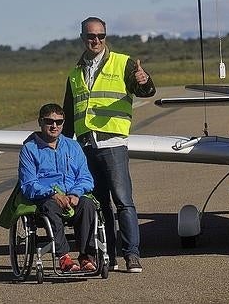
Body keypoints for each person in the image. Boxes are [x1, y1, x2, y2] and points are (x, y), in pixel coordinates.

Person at [62, 16, 156, 273]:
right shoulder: (74, 73)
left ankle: (132, 255)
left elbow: (146, 91)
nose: (96, 40)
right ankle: (109, 255)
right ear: (83, 38)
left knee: (123, 200)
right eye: (91, 36)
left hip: (112, 143)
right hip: (85, 146)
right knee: (100, 203)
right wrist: (63, 147)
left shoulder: (123, 63)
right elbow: (69, 116)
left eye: (101, 36)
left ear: (106, 37)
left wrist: (144, 79)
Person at [18, 103, 97, 273]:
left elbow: (85, 176)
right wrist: (53, 193)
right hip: (47, 198)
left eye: (59, 122)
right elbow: (28, 184)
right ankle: (64, 257)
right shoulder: (29, 149)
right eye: (49, 121)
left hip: (72, 194)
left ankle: (86, 256)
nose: (54, 126)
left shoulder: (73, 146)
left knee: (88, 205)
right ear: (40, 122)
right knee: (51, 206)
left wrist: (76, 193)